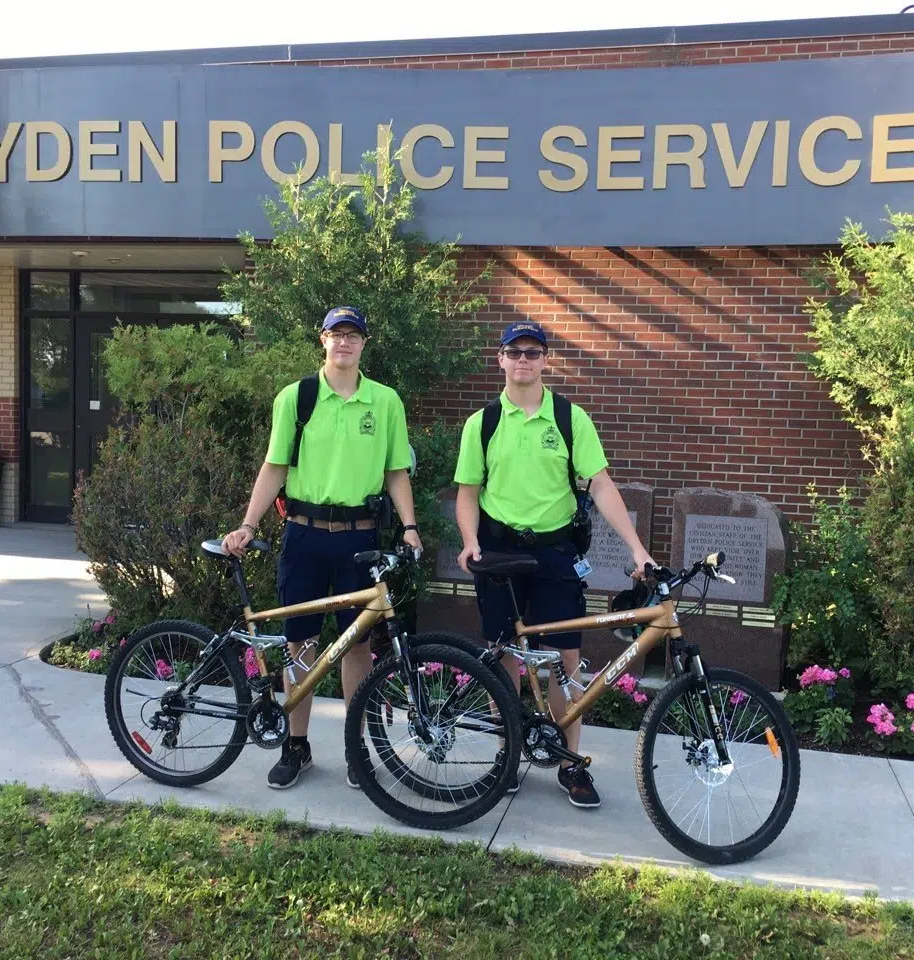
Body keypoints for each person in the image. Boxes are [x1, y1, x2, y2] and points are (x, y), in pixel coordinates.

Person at [453, 320, 654, 809]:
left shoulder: (569, 418)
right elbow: (467, 493)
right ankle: (507, 756)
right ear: (499, 359)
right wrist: (469, 540)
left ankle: (570, 763)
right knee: (504, 656)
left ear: (546, 360)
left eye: (532, 352)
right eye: (514, 351)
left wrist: (637, 548)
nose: (523, 360)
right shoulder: (482, 423)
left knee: (564, 660)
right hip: (500, 551)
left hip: (556, 551)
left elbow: (601, 485)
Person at [223, 306, 423, 790]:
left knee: (357, 648)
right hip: (305, 533)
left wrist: (411, 526)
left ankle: (356, 750)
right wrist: (248, 524)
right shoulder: (297, 397)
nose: (345, 342)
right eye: (337, 334)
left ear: (364, 344)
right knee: (302, 642)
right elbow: (275, 466)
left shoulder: (385, 401)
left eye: (354, 335)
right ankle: (297, 745)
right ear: (323, 340)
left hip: (361, 539)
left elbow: (397, 471)